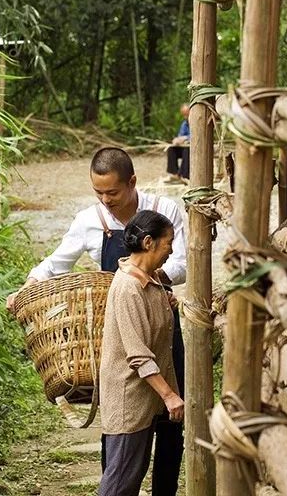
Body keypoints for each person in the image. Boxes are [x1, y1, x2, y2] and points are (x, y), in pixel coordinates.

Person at [7, 147, 186, 496]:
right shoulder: (89, 221)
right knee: (122, 420)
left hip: (162, 323)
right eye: (98, 192)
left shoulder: (165, 212)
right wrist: (26, 289)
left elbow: (181, 265)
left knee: (169, 426)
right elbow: (56, 263)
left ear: (132, 182)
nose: (105, 200)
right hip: (119, 328)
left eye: (113, 192)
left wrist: (148, 276)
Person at [98, 210, 182, 496]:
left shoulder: (150, 279)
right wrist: (169, 395)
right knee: (118, 487)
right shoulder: (128, 288)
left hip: (142, 402)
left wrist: (166, 303)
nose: (171, 249)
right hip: (128, 403)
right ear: (149, 242)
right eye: (168, 242)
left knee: (128, 483)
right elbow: (138, 355)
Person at [165, 104, 190, 183]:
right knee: (171, 148)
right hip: (185, 147)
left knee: (187, 149)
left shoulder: (196, 121)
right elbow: (180, 135)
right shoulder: (184, 124)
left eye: (187, 114)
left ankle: (184, 175)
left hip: (194, 148)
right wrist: (177, 140)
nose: (186, 117)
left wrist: (186, 138)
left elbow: (197, 134)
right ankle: (174, 174)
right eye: (184, 115)